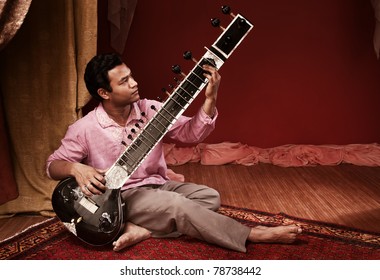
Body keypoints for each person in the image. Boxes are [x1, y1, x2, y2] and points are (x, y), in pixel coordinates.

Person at [46, 53, 301, 252]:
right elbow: (53, 165)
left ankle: (141, 230)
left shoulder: (150, 110)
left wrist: (210, 99)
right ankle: (250, 234)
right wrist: (75, 168)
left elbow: (190, 134)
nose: (135, 83)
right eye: (124, 81)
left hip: (159, 185)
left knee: (209, 197)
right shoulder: (85, 128)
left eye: (131, 76)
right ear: (104, 93)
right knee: (179, 206)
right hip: (122, 197)